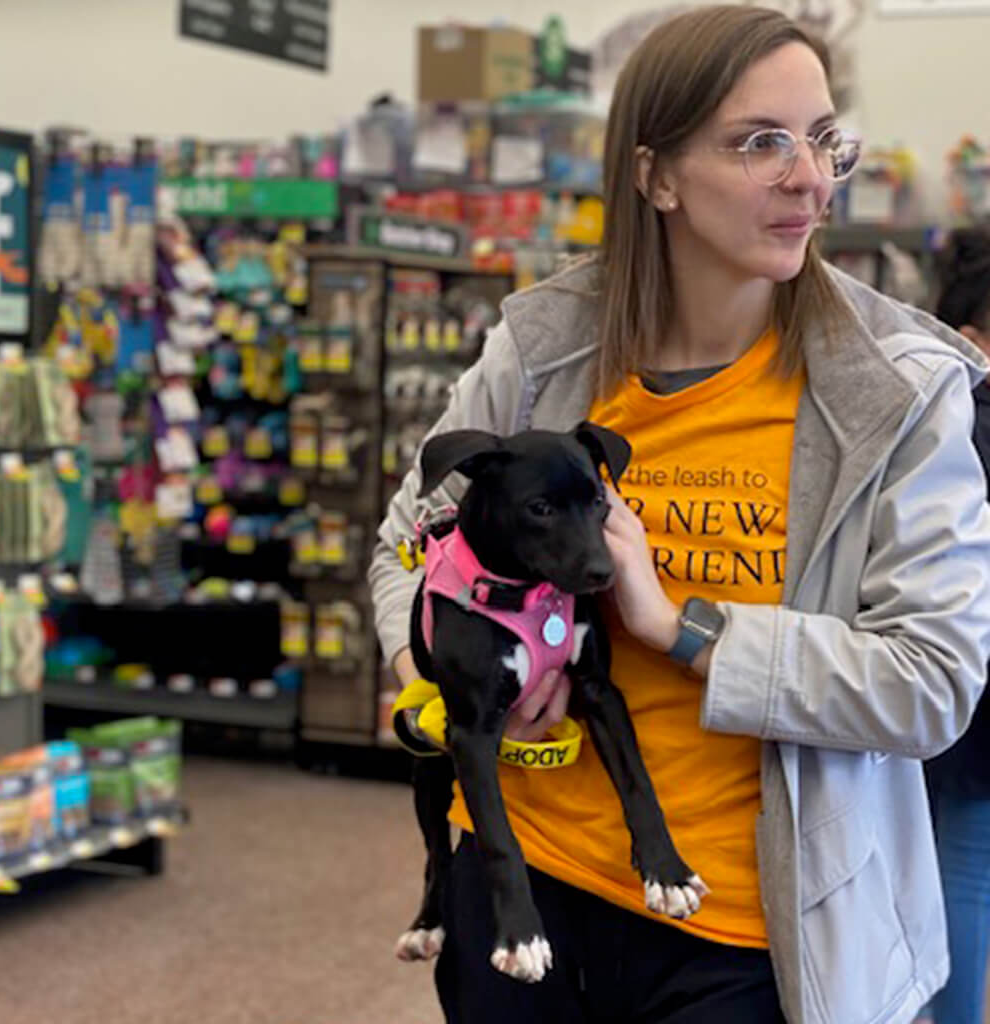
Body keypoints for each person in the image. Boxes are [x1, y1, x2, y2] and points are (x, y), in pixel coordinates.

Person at [367, 7, 990, 1023]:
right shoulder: (544, 350)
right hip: (519, 887)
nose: (809, 177)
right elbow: (406, 545)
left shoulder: (896, 390)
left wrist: (684, 629)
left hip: (749, 928)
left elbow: (932, 682)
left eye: (822, 139)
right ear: (655, 176)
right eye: (761, 142)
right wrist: (434, 673)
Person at [915, 226, 990, 1024]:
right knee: (967, 861)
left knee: (951, 852)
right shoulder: (968, 418)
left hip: (949, 666)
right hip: (971, 676)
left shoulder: (941, 421)